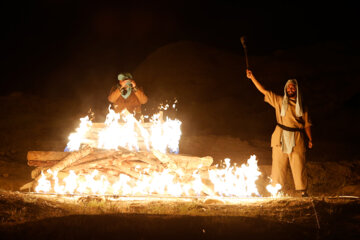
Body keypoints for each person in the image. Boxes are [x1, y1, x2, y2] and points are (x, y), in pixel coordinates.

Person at [246, 69, 313, 197]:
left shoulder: (302, 106)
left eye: (293, 87)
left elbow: (307, 125)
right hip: (280, 136)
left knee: (298, 164)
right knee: (278, 165)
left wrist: (310, 139)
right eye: (288, 87)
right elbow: (264, 91)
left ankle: (302, 191)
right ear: (285, 89)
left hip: (297, 137)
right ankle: (276, 191)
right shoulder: (279, 101)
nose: (291, 89)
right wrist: (252, 77)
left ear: (297, 90)